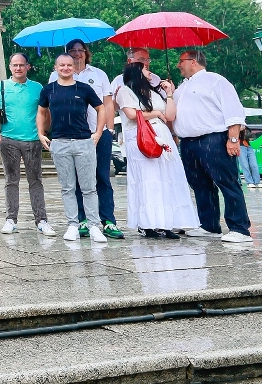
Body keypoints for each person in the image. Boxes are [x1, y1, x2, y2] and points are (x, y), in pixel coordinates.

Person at [169, 49, 252, 243]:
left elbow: (233, 111)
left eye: (181, 61)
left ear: (193, 61)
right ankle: (209, 225)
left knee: (227, 182)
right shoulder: (181, 88)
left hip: (213, 138)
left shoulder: (216, 81)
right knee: (200, 184)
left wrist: (233, 139)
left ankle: (239, 228)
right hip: (188, 142)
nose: (178, 65)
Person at [115, 62, 198, 239]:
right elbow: (131, 115)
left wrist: (169, 94)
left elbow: (170, 116)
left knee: (166, 178)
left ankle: (167, 223)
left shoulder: (154, 92)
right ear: (136, 72)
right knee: (148, 179)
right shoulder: (125, 91)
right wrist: (156, 114)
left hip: (162, 135)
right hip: (141, 137)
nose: (149, 71)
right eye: (145, 68)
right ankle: (148, 223)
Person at [39, 53, 107, 243]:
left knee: (89, 187)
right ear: (56, 67)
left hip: (83, 141)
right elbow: (41, 111)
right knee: (67, 187)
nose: (66, 68)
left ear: (74, 68)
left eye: (69, 65)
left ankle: (94, 226)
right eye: (62, 65)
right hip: (59, 142)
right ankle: (73, 225)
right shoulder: (49, 89)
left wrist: (98, 132)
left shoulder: (84, 88)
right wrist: (41, 133)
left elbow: (101, 108)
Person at [57, 39, 122, 240]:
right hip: (72, 136)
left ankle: (108, 220)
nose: (77, 54)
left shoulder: (98, 74)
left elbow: (107, 104)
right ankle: (82, 220)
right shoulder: (58, 74)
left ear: (86, 53)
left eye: (80, 50)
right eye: (72, 51)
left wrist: (109, 129)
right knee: (75, 180)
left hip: (97, 132)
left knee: (102, 177)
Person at [0, 53, 56, 236]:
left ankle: (41, 220)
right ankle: (10, 219)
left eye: (21, 65)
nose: (18, 68)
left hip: (32, 139)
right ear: (9, 67)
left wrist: (43, 133)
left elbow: (45, 112)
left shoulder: (37, 87)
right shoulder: (0, 86)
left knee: (35, 180)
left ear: (28, 67)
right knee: (11, 180)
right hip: (8, 138)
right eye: (15, 65)